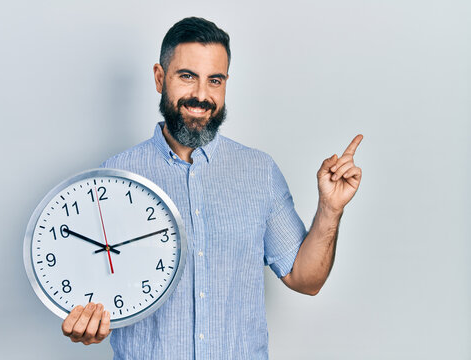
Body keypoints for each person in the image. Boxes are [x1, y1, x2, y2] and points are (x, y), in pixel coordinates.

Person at [61, 17, 363, 359]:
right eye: (187, 76)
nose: (201, 96)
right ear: (160, 78)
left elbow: (305, 280)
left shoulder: (259, 172)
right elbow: (94, 288)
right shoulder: (116, 177)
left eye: (214, 80)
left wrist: (330, 209)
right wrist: (88, 322)